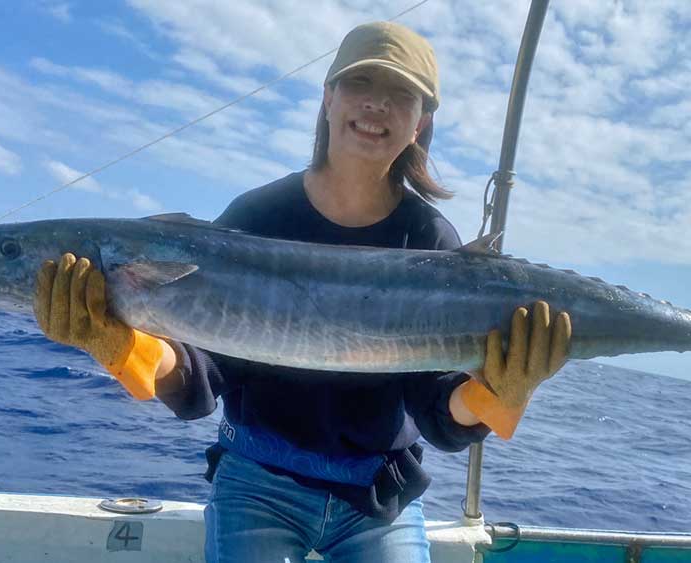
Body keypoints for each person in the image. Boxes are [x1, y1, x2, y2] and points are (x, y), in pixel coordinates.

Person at [33, 21, 572, 563]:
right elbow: (202, 376)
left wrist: (500, 389)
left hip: (377, 499)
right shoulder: (257, 216)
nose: (377, 106)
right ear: (329, 97)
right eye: (362, 84)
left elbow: (437, 406)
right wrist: (117, 345)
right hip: (256, 482)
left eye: (401, 95)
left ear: (421, 123)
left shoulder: (428, 240)